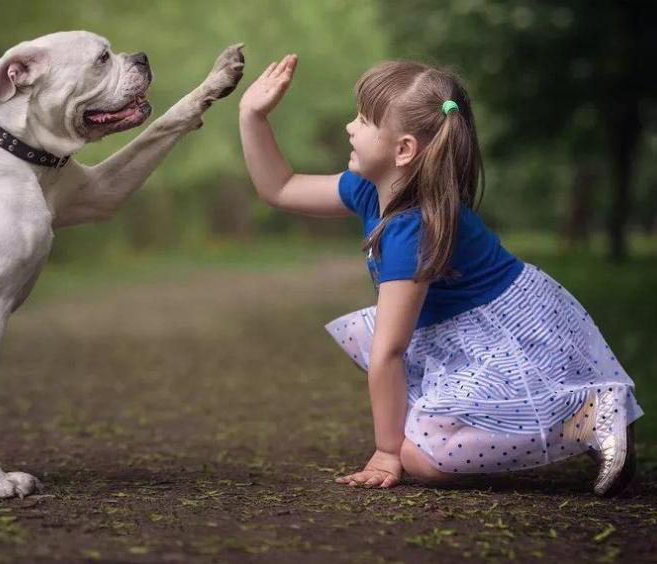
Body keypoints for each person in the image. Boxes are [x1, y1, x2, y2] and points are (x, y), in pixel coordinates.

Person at [237, 54, 643, 496]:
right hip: (463, 333)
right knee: (420, 434)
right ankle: (567, 417)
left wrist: (386, 451)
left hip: (508, 337)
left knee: (424, 457)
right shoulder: (370, 189)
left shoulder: (413, 228)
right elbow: (279, 186)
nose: (349, 128)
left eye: (364, 120)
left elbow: (388, 351)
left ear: (404, 150)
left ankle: (586, 415)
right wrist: (252, 116)